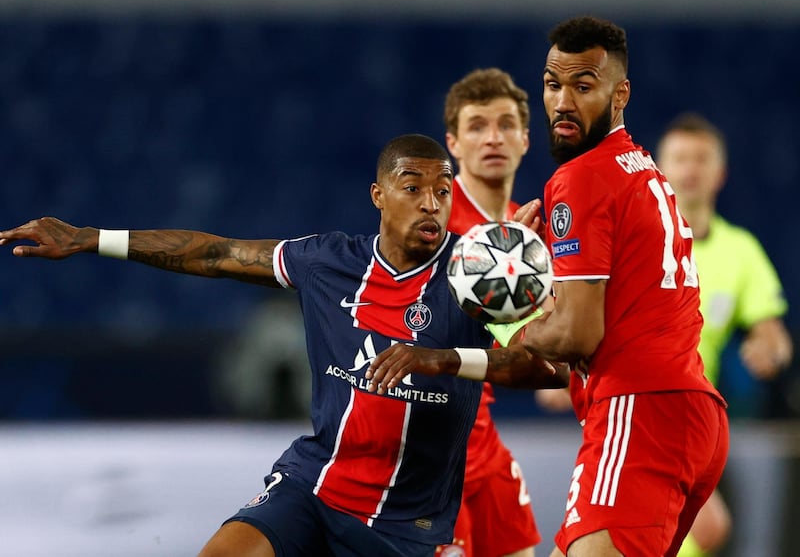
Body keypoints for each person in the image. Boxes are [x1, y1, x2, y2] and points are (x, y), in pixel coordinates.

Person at [0, 133, 565, 557]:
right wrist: (90, 238)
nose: (430, 203)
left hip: (407, 523)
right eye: (412, 188)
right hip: (315, 486)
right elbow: (217, 254)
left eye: (442, 191)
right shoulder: (328, 261)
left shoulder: (478, 270)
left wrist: (442, 358)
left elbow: (546, 368)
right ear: (378, 195)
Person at [365, 16, 730, 557]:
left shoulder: (581, 177)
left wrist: (507, 320)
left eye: (583, 87)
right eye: (553, 84)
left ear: (620, 94)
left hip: (636, 410)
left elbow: (576, 337)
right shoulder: (642, 168)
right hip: (688, 409)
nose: (562, 101)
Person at [656, 112, 793, 557]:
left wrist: (769, 348)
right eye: (680, 158)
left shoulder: (741, 251)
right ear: (660, 171)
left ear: (721, 174)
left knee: (702, 535)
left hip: (697, 425)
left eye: (702, 159)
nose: (691, 169)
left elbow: (772, 334)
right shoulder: (635, 241)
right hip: (641, 412)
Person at [439, 67, 541, 557]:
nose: (493, 138)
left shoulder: (530, 234)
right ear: (453, 144)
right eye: (477, 126)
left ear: (525, 138)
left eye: (505, 125)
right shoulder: (429, 227)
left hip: (483, 440)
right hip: (431, 449)